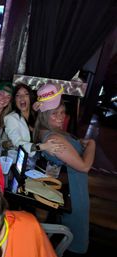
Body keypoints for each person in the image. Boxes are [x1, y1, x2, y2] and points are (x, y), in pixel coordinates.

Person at [33, 84, 96, 256]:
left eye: (62, 112)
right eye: (55, 113)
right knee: (76, 245)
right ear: (45, 116)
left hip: (71, 188)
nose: (61, 117)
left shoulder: (50, 132)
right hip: (76, 193)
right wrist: (92, 144)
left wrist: (78, 144)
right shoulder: (53, 137)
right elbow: (84, 166)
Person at [4, 83, 62, 156]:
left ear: (30, 98)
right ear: (14, 100)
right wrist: (43, 146)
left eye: (26, 94)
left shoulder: (36, 114)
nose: (22, 97)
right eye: (18, 95)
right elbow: (17, 143)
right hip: (22, 160)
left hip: (42, 156)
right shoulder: (11, 118)